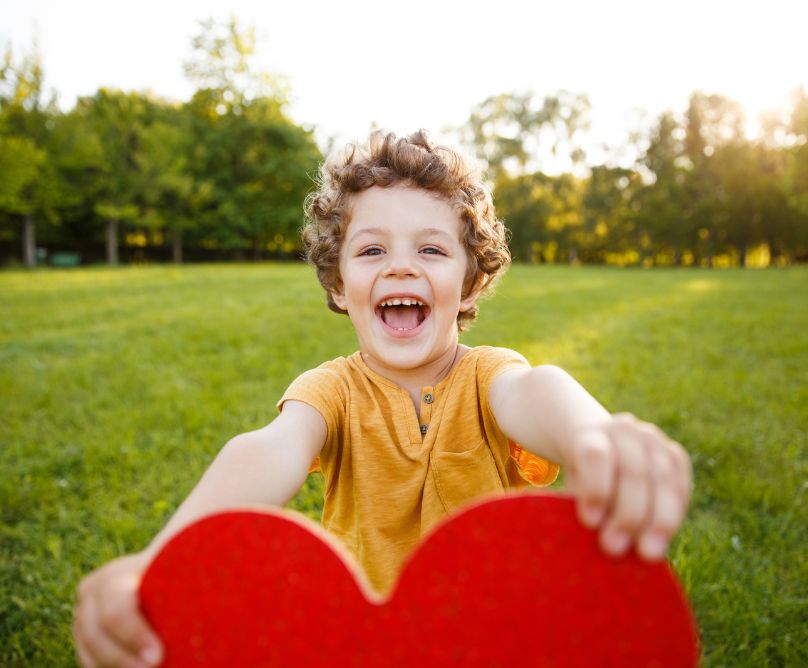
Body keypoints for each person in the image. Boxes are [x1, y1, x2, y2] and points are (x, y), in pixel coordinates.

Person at [73, 130, 692, 668]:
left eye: (430, 249)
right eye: (372, 250)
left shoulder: (488, 378)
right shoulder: (333, 390)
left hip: (491, 637)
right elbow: (267, 450)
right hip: (361, 642)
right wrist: (157, 560)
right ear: (341, 285)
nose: (399, 267)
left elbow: (538, 390)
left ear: (470, 280)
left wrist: (595, 435)